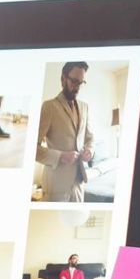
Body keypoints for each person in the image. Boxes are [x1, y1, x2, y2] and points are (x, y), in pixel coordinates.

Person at [36, 62, 94, 201]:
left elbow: (90, 137)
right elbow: (31, 149)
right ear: (63, 79)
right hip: (56, 185)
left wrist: (90, 150)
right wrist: (60, 156)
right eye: (74, 81)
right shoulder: (49, 107)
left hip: (79, 183)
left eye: (81, 83)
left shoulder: (85, 107)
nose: (77, 88)